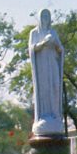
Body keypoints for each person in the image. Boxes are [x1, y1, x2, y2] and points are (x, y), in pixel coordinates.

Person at [29, 8, 64, 136]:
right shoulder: (34, 33)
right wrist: (43, 43)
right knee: (44, 90)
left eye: (47, 16)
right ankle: (44, 116)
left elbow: (61, 49)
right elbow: (31, 49)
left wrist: (55, 44)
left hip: (53, 64)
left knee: (55, 87)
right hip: (42, 67)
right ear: (39, 18)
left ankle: (55, 115)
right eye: (43, 16)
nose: (45, 18)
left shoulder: (53, 32)